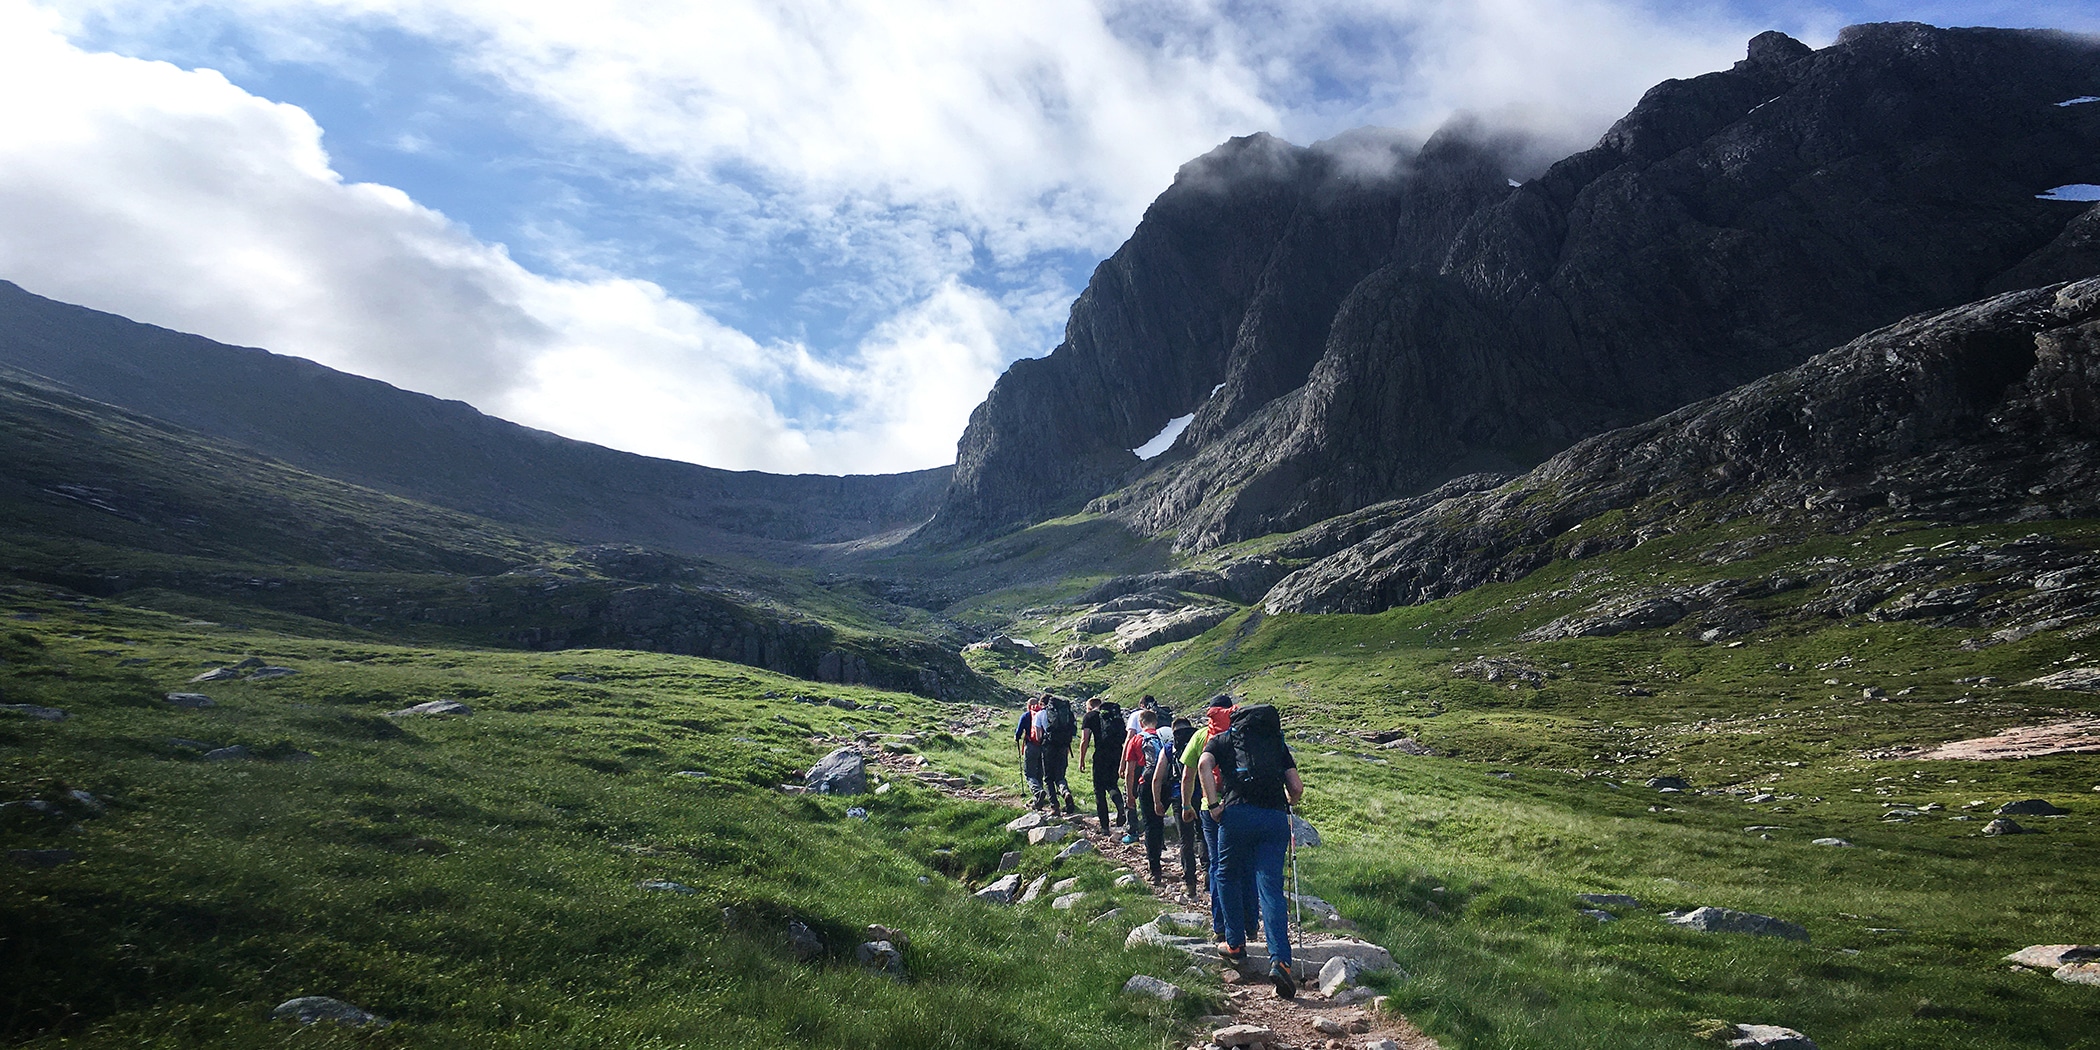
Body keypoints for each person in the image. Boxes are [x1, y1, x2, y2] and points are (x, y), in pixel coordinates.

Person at [1198, 703, 1305, 998]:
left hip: (1237, 815)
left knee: (1227, 874)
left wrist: (1214, 803)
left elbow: (1203, 766)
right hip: (1274, 819)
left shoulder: (1224, 739)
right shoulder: (1276, 742)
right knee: (1270, 887)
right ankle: (1280, 960)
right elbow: (1296, 787)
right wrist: (1287, 803)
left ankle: (1234, 943)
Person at [1181, 694, 1255, 943]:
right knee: (1245, 864)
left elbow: (1188, 776)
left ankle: (1221, 926)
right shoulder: (1243, 732)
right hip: (1241, 804)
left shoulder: (1202, 735)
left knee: (1218, 866)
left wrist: (1186, 805)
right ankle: (1250, 923)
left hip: (1209, 807)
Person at [1163, 717, 1202, 896]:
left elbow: (1157, 776)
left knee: (1185, 840)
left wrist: (1158, 801)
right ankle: (1210, 875)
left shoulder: (1170, 747)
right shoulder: (1200, 741)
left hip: (1180, 797)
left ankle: (1190, 882)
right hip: (1202, 795)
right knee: (1203, 835)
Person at [1132, 708, 1170, 885]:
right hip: (1166, 783)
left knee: (1149, 824)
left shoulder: (1137, 739)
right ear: (1156, 721)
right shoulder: (1164, 737)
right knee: (1159, 820)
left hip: (1146, 784)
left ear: (1141, 723)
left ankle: (1155, 868)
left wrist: (1130, 794)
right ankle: (1160, 850)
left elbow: (1130, 771)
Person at [1077, 696, 1126, 829]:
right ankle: (1120, 807)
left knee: (1099, 790)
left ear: (1090, 707)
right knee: (1112, 784)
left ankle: (1105, 828)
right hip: (1117, 753)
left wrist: (1081, 760)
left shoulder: (1090, 716)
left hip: (1101, 755)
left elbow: (1085, 739)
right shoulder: (1113, 716)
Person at [1042, 694, 1078, 814]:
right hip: (1063, 747)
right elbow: (1073, 731)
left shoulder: (1044, 713)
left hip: (1048, 747)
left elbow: (1040, 732)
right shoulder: (1067, 713)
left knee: (1048, 778)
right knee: (1060, 776)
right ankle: (1065, 792)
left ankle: (1054, 806)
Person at [1013, 695, 1050, 810]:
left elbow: (1018, 733)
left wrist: (1017, 738)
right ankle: (1038, 801)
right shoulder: (1045, 713)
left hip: (1032, 746)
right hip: (1044, 747)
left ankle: (1037, 792)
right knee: (1040, 772)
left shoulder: (1026, 715)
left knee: (1029, 773)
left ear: (1028, 706)